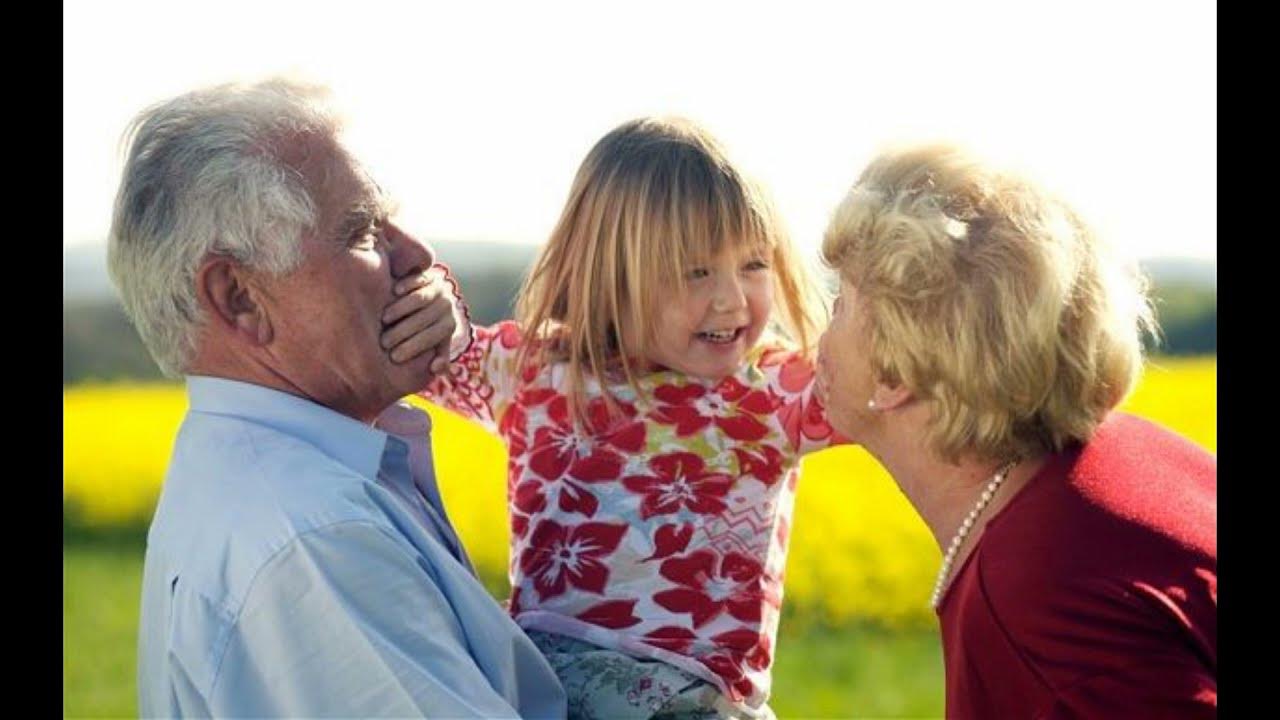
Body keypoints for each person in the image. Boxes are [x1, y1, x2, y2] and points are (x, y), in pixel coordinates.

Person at [110, 77, 566, 718]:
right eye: (363, 232)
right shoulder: (319, 540)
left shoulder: (257, 478)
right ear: (240, 297)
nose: (419, 254)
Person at [408, 116, 842, 719]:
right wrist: (431, 301)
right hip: (548, 692)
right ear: (609, 274)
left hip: (697, 698)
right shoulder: (535, 371)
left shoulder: (770, 391)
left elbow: (902, 386)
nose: (732, 299)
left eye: (753, 264)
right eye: (696, 271)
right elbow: (416, 348)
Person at [815, 143, 1217, 717]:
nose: (820, 338)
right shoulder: (1131, 452)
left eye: (841, 305)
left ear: (896, 369)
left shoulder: (1037, 599)